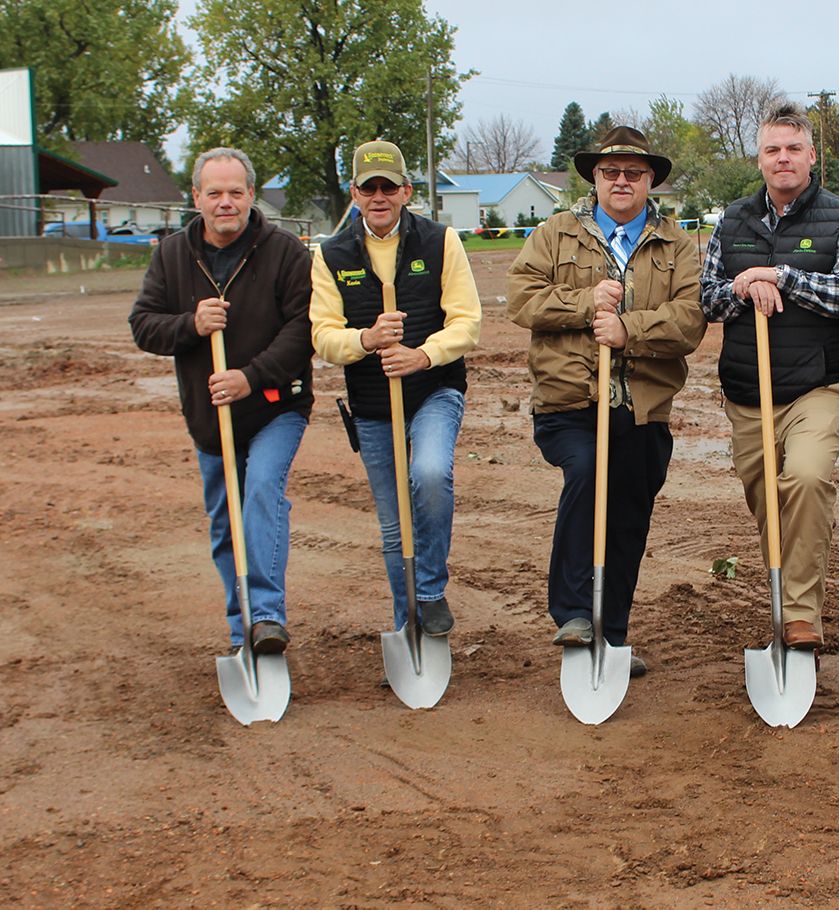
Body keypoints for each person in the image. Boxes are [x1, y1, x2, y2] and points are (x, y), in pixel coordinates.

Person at [507, 127, 705, 677]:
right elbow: (521, 298)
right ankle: (574, 613)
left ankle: (611, 635)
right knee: (588, 471)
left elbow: (690, 319)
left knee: (628, 518)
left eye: (633, 173)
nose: (621, 181)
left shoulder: (676, 245)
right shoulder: (555, 234)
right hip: (569, 403)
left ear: (650, 181)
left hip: (642, 408)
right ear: (594, 177)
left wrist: (628, 329)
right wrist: (584, 303)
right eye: (611, 172)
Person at [700, 102, 839, 651]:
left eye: (793, 149)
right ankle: (788, 597)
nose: (783, 158)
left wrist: (783, 276)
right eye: (772, 149)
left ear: (811, 156)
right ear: (759, 159)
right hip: (748, 392)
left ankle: (800, 617)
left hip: (821, 385)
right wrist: (743, 286)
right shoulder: (731, 222)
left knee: (804, 478)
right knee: (770, 508)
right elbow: (707, 299)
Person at [129, 147, 313, 654]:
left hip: (275, 405)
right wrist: (191, 323)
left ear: (251, 195)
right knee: (224, 522)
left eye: (235, 192)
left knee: (261, 494)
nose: (225, 202)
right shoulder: (171, 254)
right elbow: (143, 325)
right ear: (197, 197)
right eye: (214, 193)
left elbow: (303, 330)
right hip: (210, 417)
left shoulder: (284, 252)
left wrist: (250, 378)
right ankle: (242, 628)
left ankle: (267, 617)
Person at [310, 139, 481, 637]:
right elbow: (322, 335)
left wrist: (421, 355)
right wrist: (365, 339)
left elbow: (467, 322)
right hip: (371, 404)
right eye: (370, 188)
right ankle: (407, 630)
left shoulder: (440, 241)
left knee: (429, 474)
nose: (379, 196)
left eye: (389, 187)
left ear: (406, 191)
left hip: (434, 390)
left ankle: (428, 592)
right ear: (355, 193)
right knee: (393, 526)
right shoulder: (330, 254)